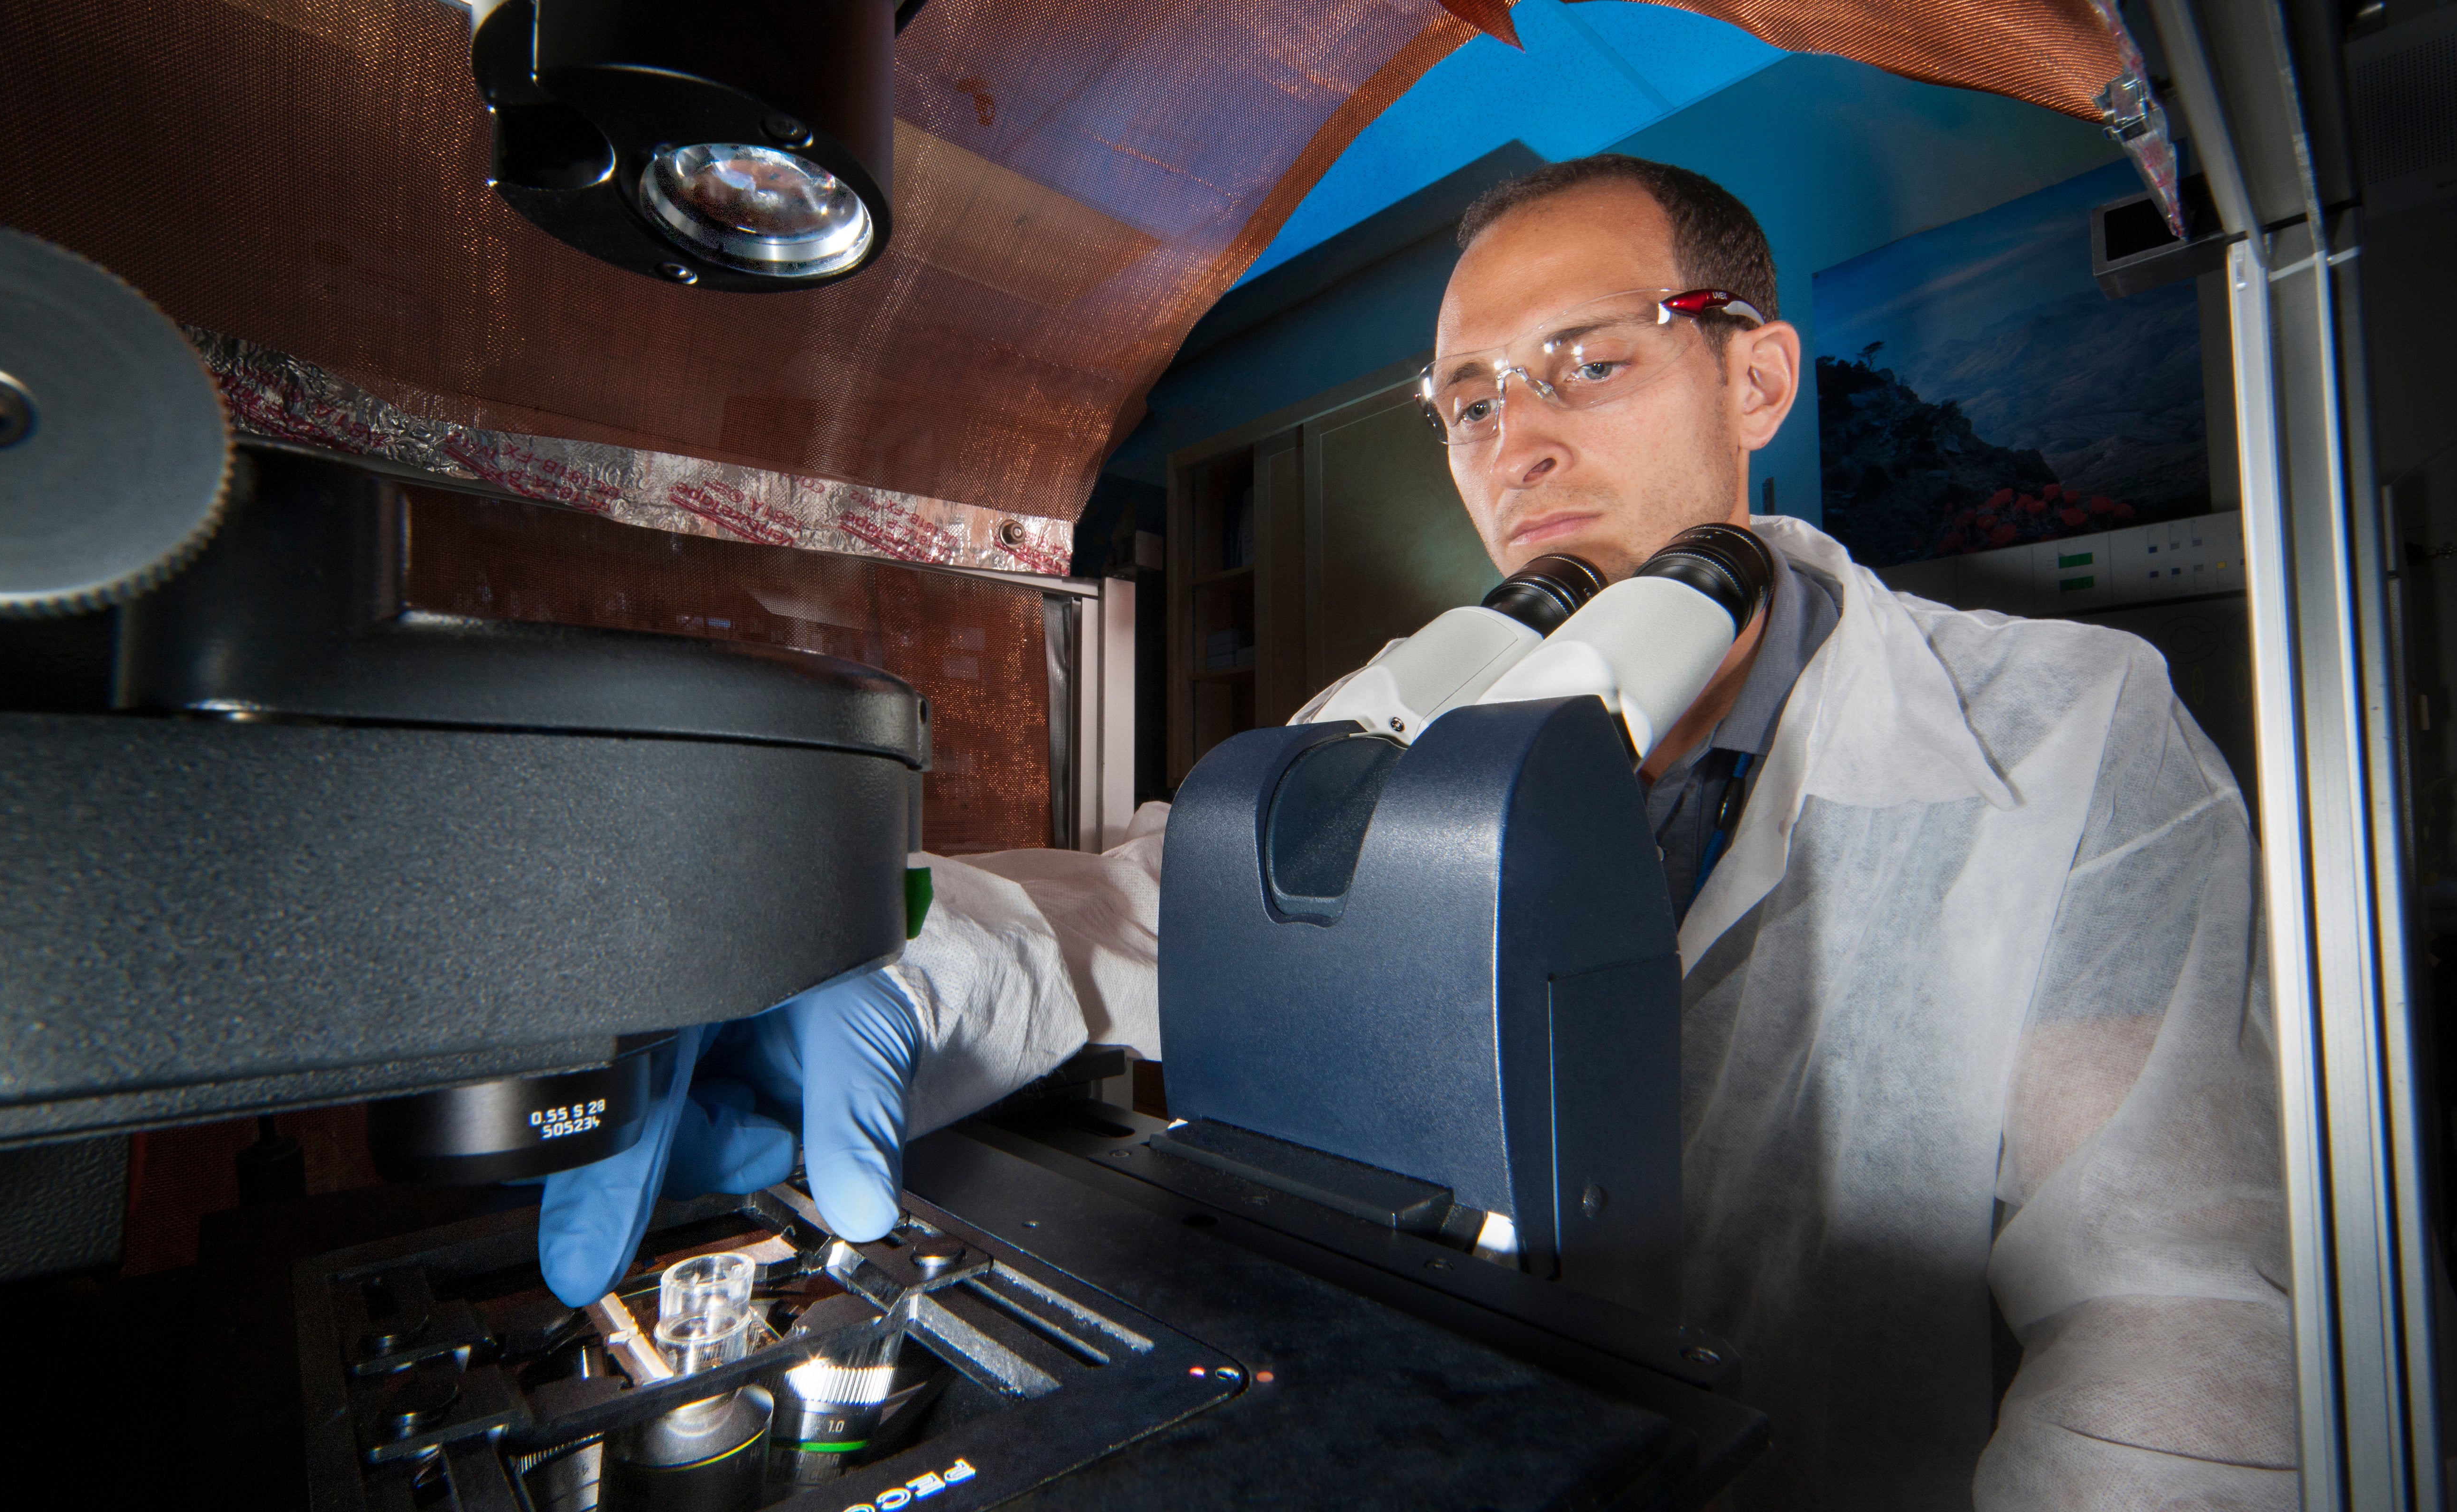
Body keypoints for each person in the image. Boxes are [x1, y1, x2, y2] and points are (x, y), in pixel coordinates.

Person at [536, 154, 2298, 1508]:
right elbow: (1176, 907)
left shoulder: (2055, 732)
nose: (1515, 440)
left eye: (1586, 364)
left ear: (1756, 382)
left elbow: (2181, 1328)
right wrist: (890, 966)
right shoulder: (1410, 700)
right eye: (1469, 401)